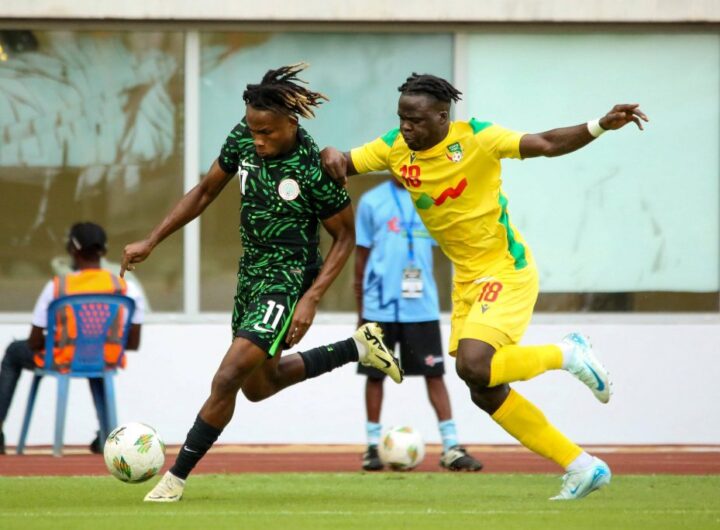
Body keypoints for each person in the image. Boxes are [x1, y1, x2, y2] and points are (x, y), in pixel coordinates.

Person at [321, 73, 648, 500]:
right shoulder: (394, 147)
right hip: (467, 279)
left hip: (505, 269)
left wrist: (599, 125)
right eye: (402, 118)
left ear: (442, 116)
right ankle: (582, 465)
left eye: (416, 120)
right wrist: (329, 153)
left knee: (474, 365)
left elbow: (546, 143)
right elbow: (342, 161)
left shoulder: (477, 138)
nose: (406, 127)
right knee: (484, 390)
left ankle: (567, 353)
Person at [121, 64, 402, 503]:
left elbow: (346, 236)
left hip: (287, 279)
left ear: (291, 122)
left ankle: (175, 478)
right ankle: (357, 348)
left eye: (266, 132)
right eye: (253, 130)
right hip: (251, 276)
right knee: (258, 386)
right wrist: (152, 240)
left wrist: (311, 298)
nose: (258, 140)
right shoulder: (244, 137)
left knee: (227, 376)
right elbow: (205, 191)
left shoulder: (313, 168)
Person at [355, 178, 482, 472]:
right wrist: (361, 309)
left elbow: (454, 246)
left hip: (421, 306)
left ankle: (451, 447)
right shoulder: (372, 201)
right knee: (375, 376)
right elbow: (360, 256)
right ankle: (372, 447)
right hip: (379, 306)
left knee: (434, 374)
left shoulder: (433, 199)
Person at [0, 222, 146, 455]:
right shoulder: (126, 288)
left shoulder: (57, 287)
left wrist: (64, 340)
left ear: (72, 250)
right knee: (95, 358)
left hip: (62, 359)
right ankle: (107, 435)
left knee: (13, 352)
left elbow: (34, 342)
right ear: (104, 251)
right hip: (105, 359)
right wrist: (94, 342)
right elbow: (132, 343)